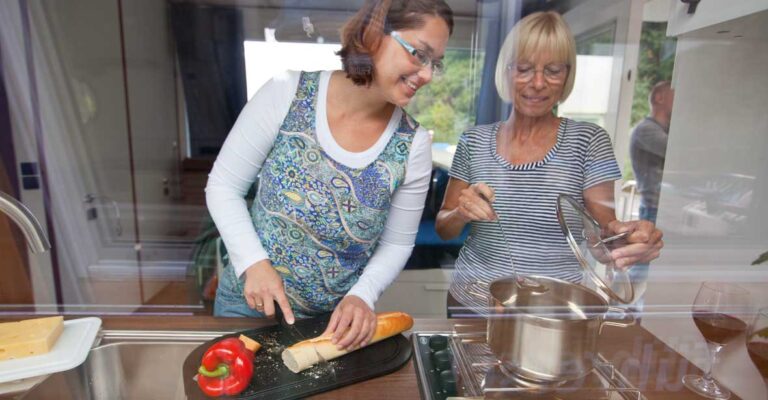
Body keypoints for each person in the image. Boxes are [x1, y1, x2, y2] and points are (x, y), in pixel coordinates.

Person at [205, 0, 453, 350]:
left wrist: (363, 296)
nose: (427, 74)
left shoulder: (412, 146)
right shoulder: (287, 93)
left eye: (435, 63)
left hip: (335, 328)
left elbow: (397, 243)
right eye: (419, 54)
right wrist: (254, 264)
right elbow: (223, 187)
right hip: (246, 308)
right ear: (373, 35)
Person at [435, 11, 663, 315]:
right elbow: (444, 228)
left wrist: (629, 239)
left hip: (552, 311)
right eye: (525, 68)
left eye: (553, 70)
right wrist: (462, 212)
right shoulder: (473, 141)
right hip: (472, 300)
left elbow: (602, 239)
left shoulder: (589, 141)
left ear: (567, 76)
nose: (538, 82)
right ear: (505, 72)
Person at [630, 81, 674, 223]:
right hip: (655, 210)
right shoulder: (646, 130)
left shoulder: (665, 130)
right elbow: (680, 154)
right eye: (676, 95)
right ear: (659, 98)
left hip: (667, 209)